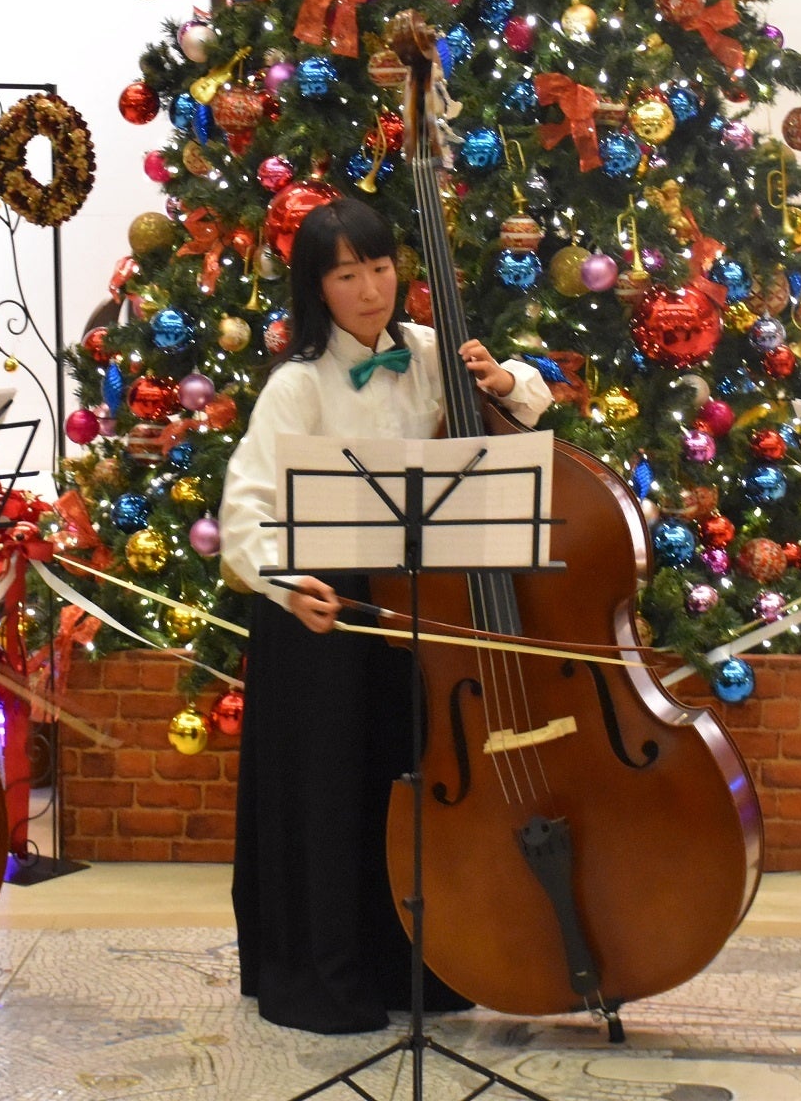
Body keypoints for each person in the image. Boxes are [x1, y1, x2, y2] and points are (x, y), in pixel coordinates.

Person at [217, 196, 554, 1033]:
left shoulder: (432, 351)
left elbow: (528, 398)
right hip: (324, 612)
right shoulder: (297, 384)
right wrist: (287, 583)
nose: (370, 290)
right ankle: (323, 974)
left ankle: (414, 962)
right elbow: (244, 513)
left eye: (379, 268)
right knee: (332, 794)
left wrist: (505, 382)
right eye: (347, 276)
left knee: (403, 781)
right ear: (316, 287)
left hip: (409, 607)